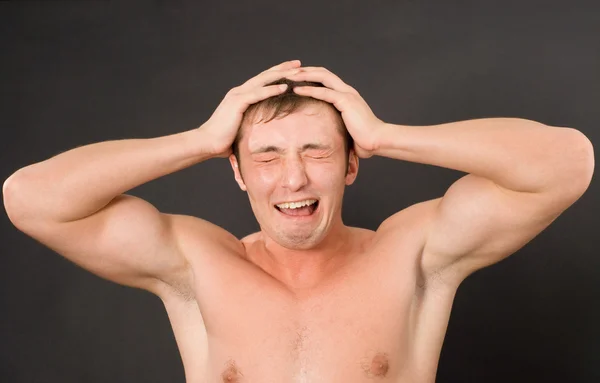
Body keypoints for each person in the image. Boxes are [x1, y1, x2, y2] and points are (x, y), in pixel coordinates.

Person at [3, 59, 594, 382]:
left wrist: (387, 135)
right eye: (267, 156)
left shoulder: (413, 254)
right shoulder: (196, 264)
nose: (293, 180)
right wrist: (198, 140)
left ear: (350, 164)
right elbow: (29, 197)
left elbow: (568, 162)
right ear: (236, 171)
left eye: (316, 151)